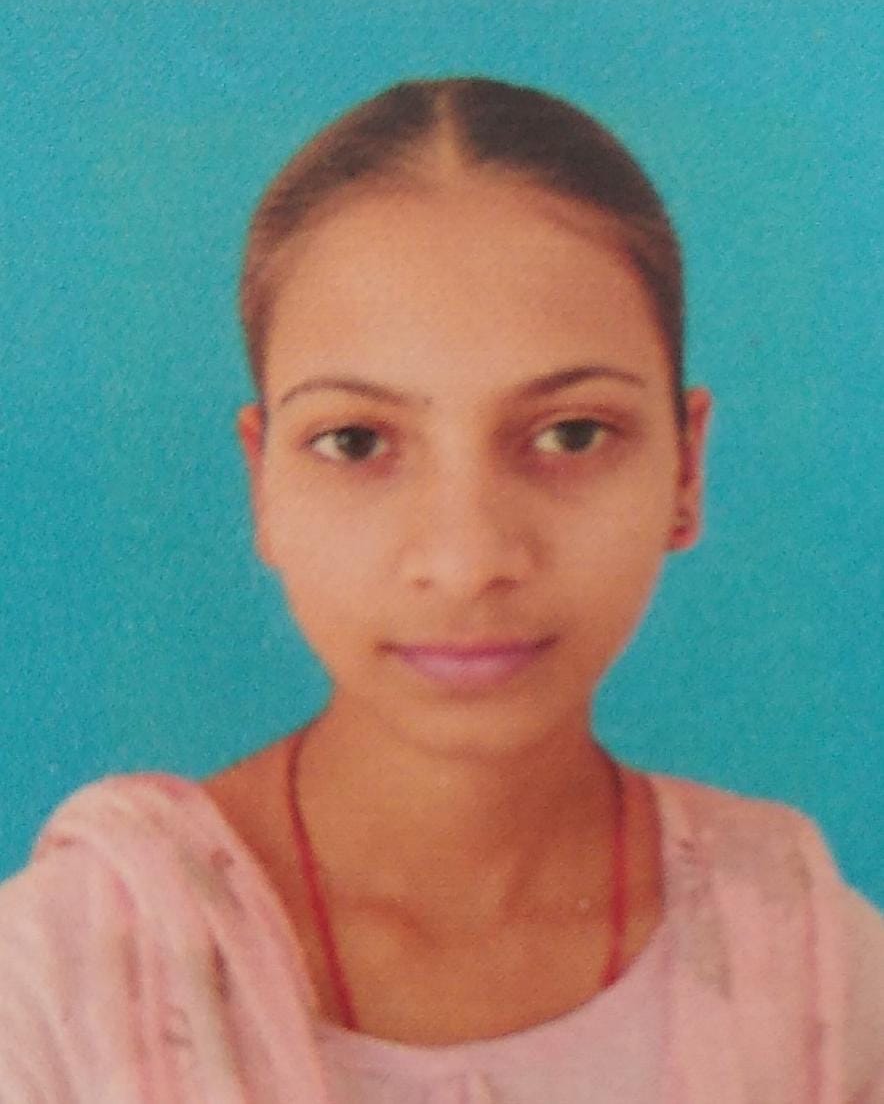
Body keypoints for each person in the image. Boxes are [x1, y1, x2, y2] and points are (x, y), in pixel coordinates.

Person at [0, 76, 881, 1103]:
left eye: (571, 434)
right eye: (355, 441)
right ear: (263, 483)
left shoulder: (817, 965)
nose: (468, 561)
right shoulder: (55, 982)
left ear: (685, 469)